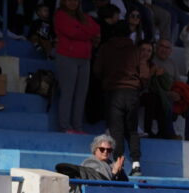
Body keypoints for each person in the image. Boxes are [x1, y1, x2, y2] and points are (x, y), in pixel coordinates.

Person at [98, 24, 152, 176]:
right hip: (132, 93)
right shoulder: (136, 50)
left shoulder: (105, 49)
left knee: (117, 131)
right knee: (132, 130)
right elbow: (145, 74)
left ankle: (118, 165)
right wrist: (139, 86)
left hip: (113, 92)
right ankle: (136, 164)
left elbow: (97, 70)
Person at [54, 0, 100, 134]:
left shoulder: (83, 16)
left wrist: (81, 29)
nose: (73, 2)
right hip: (67, 56)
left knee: (81, 95)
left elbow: (96, 29)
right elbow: (73, 33)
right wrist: (87, 32)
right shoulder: (60, 15)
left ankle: (78, 126)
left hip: (85, 58)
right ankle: (65, 126)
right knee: (68, 93)